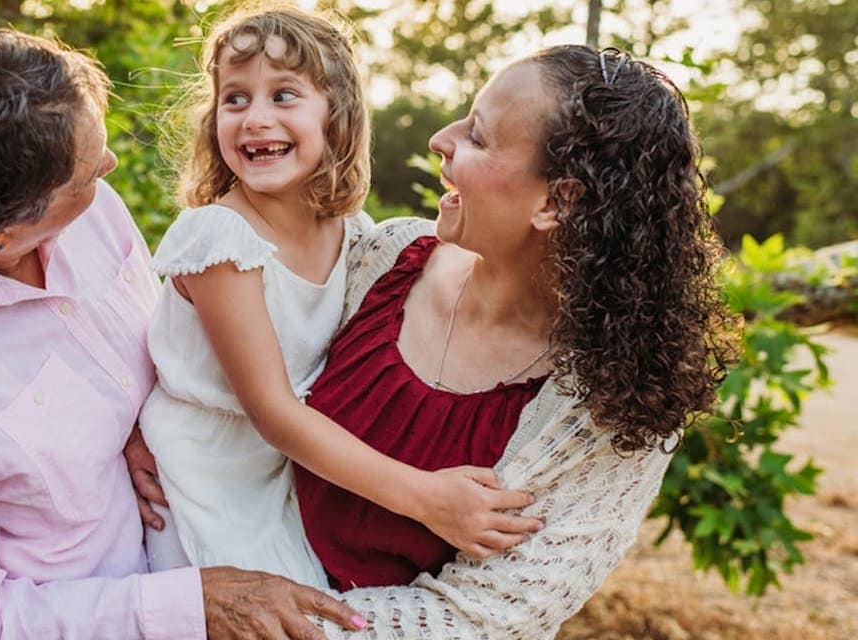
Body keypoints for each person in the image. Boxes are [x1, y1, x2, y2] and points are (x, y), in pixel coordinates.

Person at [0, 23, 366, 639]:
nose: (110, 166)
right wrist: (185, 607)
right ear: (0, 239)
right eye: (88, 173)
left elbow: (146, 344)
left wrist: (122, 418)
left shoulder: (64, 188)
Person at [290, 45, 739, 637]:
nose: (440, 141)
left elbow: (478, 619)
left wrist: (262, 615)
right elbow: (242, 376)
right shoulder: (381, 257)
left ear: (557, 201)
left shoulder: (608, 410)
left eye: (477, 137)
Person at [137, 6, 542, 589]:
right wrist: (427, 499)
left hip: (285, 474)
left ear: (337, 116)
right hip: (206, 471)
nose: (254, 118)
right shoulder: (221, 238)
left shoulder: (353, 233)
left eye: (283, 95)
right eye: (235, 99)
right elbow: (274, 413)